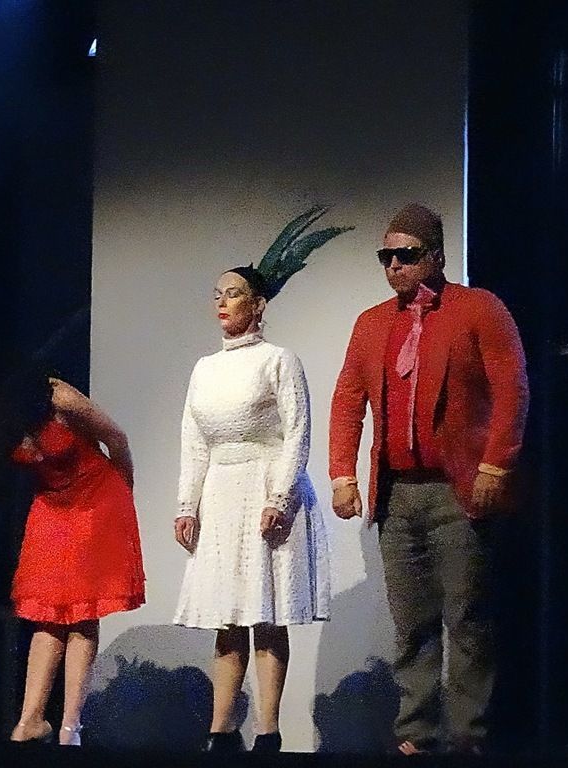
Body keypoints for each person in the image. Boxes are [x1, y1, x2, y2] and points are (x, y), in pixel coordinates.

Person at [329, 203, 529, 755]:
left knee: (467, 616)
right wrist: (343, 473)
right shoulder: (373, 323)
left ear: (436, 256)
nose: (394, 265)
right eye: (386, 257)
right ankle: (416, 731)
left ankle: (468, 734)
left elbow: (512, 389)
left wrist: (495, 464)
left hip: (457, 490)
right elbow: (347, 399)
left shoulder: (478, 309)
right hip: (397, 493)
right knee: (411, 620)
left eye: (406, 255)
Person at [173, 265, 330, 754]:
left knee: (266, 616)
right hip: (221, 493)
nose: (222, 302)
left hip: (264, 488)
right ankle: (220, 730)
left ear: (258, 304)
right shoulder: (204, 368)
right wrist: (187, 505)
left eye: (234, 294)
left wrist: (279, 498)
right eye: (217, 294)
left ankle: (268, 730)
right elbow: (194, 442)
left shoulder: (279, 360)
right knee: (227, 617)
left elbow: (297, 432)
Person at [6, 371, 145, 746]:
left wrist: (124, 495)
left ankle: (71, 727)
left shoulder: (60, 398)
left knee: (83, 611)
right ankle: (30, 720)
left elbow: (116, 439)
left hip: (95, 496)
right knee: (46, 612)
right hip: (51, 503)